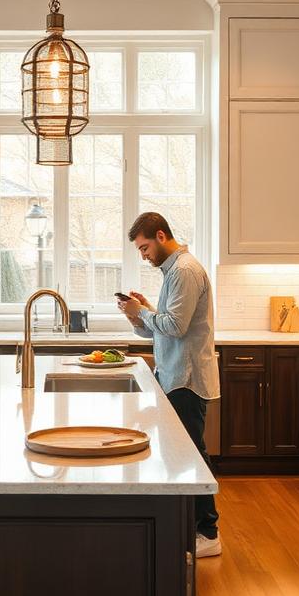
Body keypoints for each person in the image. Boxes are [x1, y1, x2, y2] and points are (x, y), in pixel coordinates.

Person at [117, 212, 221, 558]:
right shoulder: (172, 272)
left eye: (144, 247)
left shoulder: (185, 271)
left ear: (161, 236)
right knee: (179, 456)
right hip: (173, 375)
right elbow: (162, 328)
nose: (143, 255)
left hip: (186, 379)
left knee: (191, 456)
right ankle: (190, 527)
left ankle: (208, 532)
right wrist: (139, 313)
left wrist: (144, 311)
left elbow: (174, 327)